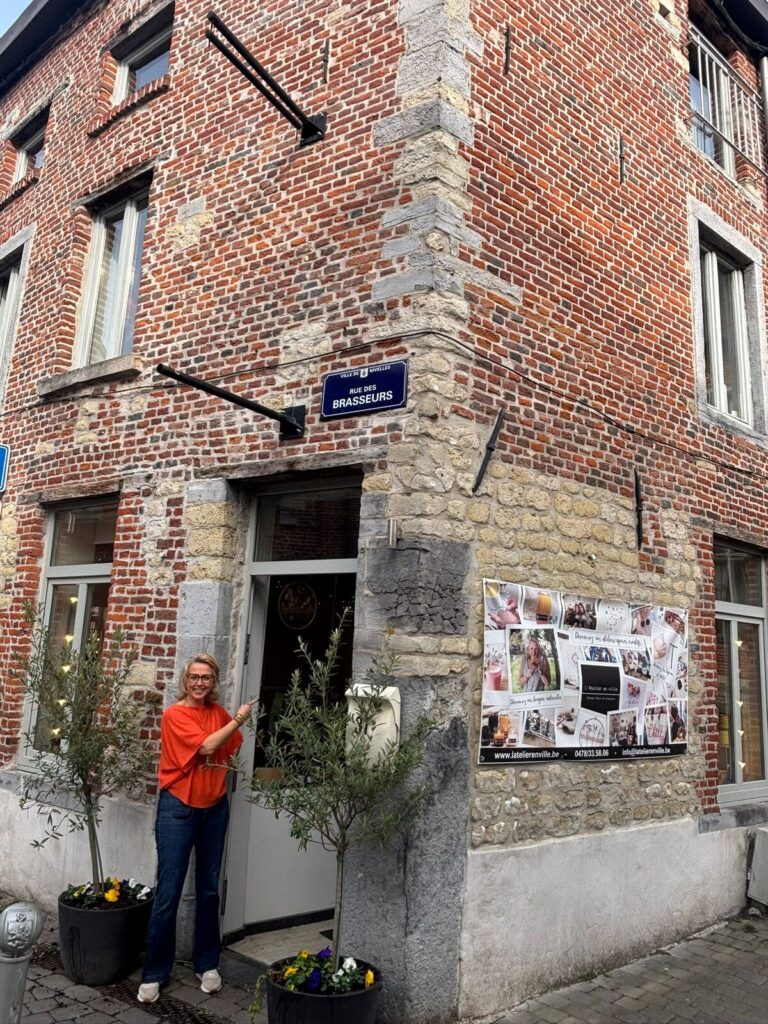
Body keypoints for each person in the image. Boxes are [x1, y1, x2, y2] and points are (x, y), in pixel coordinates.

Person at [137, 654, 256, 1004]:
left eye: (205, 677)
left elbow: (230, 748)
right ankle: (155, 973)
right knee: (168, 893)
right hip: (178, 809)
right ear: (185, 681)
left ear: (214, 681)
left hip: (214, 809)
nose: (199, 683)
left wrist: (227, 732)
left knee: (208, 890)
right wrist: (238, 719)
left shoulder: (216, 714)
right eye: (194, 677)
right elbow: (207, 745)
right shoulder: (175, 714)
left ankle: (207, 964)